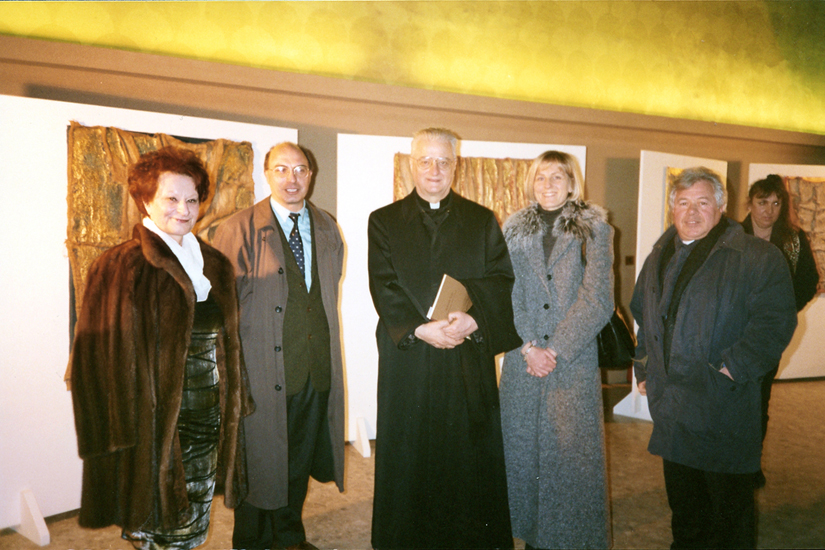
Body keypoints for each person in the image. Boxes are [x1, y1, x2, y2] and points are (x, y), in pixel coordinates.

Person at [70, 146, 254, 549]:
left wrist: (238, 401)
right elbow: (92, 360)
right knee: (159, 527)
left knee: (194, 516)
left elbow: (230, 346)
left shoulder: (215, 264)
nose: (184, 210)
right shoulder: (121, 265)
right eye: (171, 198)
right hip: (152, 426)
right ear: (145, 200)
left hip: (208, 413)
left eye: (192, 200)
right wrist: (111, 435)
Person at [368, 128, 521, 549]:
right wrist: (419, 328)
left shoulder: (481, 219)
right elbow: (383, 284)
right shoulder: (383, 221)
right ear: (410, 165)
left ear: (457, 166)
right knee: (409, 451)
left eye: (444, 161)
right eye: (425, 160)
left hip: (463, 355)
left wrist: (475, 321)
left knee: (466, 452)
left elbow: (502, 280)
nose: (434, 170)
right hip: (410, 356)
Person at [631, 166, 797, 548]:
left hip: (722, 408)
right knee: (686, 513)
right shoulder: (659, 255)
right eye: (683, 203)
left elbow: (775, 322)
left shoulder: (757, 256)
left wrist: (732, 368)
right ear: (672, 208)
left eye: (702, 203)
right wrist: (644, 366)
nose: (691, 212)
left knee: (728, 519)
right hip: (674, 410)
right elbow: (644, 313)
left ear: (721, 207)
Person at [212, 142, 345, 550]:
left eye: (300, 169)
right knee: (258, 459)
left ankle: (289, 537)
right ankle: (251, 541)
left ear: (311, 175)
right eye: (282, 169)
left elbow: (324, 293)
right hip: (261, 369)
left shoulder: (326, 227)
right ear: (266, 175)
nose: (292, 178)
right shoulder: (238, 228)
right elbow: (221, 304)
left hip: (313, 367)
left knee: (298, 458)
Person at [499, 151, 613, 549]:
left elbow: (598, 299)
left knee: (569, 463)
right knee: (524, 457)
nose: (547, 185)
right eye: (540, 177)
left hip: (572, 361)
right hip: (523, 361)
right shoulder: (513, 230)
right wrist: (530, 346)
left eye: (557, 177)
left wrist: (555, 350)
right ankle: (532, 538)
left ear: (571, 183)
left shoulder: (594, 228)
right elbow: (508, 293)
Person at [742, 174, 819, 457]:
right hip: (731, 331)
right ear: (750, 203)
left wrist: (782, 312)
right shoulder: (732, 236)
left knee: (759, 397)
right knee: (729, 398)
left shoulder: (793, 239)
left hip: (769, 334)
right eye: (762, 202)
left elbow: (809, 282)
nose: (769, 210)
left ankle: (751, 461)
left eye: (776, 203)